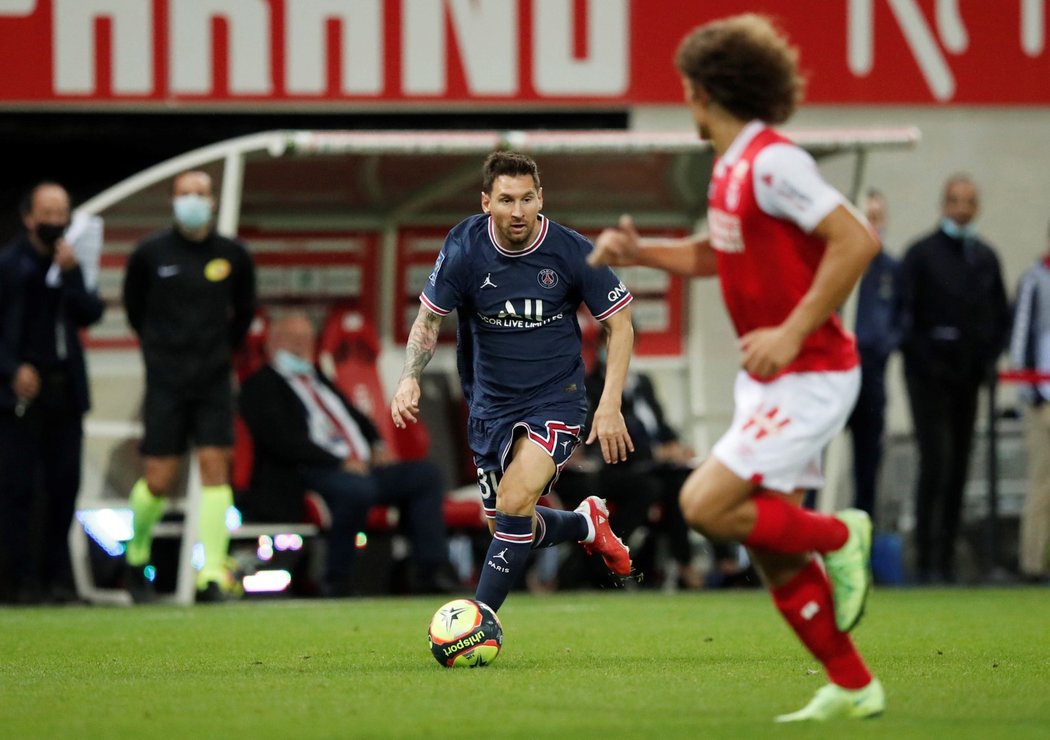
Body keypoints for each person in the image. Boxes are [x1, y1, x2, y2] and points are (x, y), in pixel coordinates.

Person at [588, 14, 885, 722]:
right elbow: (714, 252)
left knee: (704, 505)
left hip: (811, 371)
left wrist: (790, 329)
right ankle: (852, 684)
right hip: (772, 377)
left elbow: (856, 240)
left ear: (700, 91)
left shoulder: (775, 162)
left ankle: (844, 535)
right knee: (767, 546)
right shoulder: (732, 166)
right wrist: (643, 254)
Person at [390, 150, 637, 616]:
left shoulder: (570, 249)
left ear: (541, 198)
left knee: (515, 498)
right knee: (506, 522)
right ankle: (586, 525)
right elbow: (428, 318)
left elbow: (620, 323)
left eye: (527, 199)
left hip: (556, 401)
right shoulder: (464, 247)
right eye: (506, 200)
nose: (518, 211)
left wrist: (610, 405)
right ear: (487, 202)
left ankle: (480, 621)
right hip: (489, 408)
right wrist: (409, 379)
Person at [238, 312, 457, 596]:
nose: (301, 346)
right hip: (310, 470)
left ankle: (430, 571)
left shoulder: (317, 378)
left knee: (425, 476)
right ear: (272, 342)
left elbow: (359, 419)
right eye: (293, 339)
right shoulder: (261, 386)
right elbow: (283, 442)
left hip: (360, 466)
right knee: (356, 490)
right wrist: (340, 462)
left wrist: (377, 446)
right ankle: (336, 578)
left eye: (306, 339)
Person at [121, 170, 257, 603]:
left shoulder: (233, 255)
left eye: (200, 193)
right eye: (185, 194)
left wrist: (217, 353)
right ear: (172, 200)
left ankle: (211, 575)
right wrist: (164, 354)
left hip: (214, 379)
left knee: (216, 470)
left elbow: (245, 312)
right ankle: (135, 556)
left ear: (213, 201)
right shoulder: (148, 254)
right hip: (165, 381)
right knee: (158, 479)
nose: (193, 200)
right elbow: (134, 310)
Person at [899, 174, 1009, 585]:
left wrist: (986, 358)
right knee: (936, 461)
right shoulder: (921, 255)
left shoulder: (985, 257)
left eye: (969, 202)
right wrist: (928, 357)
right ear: (944, 205)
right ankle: (925, 558)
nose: (961, 209)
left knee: (960, 465)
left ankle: (946, 559)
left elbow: (999, 316)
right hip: (928, 379)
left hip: (968, 378)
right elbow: (906, 320)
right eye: (955, 201)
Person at [0, 182, 105, 604]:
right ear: (29, 218)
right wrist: (10, 370)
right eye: (47, 213)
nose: (56, 222)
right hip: (20, 397)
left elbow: (90, 313)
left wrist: (73, 273)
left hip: (65, 394)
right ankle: (20, 583)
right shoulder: (9, 265)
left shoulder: (72, 261)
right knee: (20, 491)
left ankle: (58, 581)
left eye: (62, 213)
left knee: (65, 489)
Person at [846, 189, 904, 521]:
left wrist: (883, 345)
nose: (873, 224)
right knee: (817, 463)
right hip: (834, 374)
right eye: (866, 216)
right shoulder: (833, 264)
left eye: (877, 217)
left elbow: (902, 318)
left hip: (872, 374)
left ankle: (861, 542)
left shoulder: (891, 270)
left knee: (868, 465)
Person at [1008, 221, 1050, 583]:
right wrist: (1030, 393)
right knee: (1042, 483)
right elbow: (1021, 337)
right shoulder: (1035, 280)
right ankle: (1033, 564)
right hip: (1044, 398)